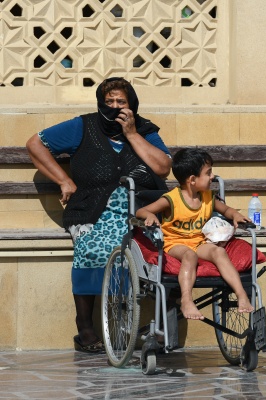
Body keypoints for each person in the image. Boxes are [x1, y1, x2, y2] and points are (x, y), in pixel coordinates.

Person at [26, 77, 172, 353]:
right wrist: (63, 180)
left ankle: (134, 322)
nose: (115, 107)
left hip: (138, 210)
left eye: (121, 102)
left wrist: (131, 134)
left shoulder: (144, 129)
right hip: (92, 209)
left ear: (132, 105)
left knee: (155, 247)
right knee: (95, 248)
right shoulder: (84, 126)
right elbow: (35, 144)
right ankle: (85, 328)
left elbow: (163, 167)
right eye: (109, 102)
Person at [136, 149, 254, 320]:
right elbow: (142, 210)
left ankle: (241, 294)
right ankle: (186, 299)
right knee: (189, 255)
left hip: (199, 243)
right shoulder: (171, 199)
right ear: (192, 180)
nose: (213, 176)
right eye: (208, 173)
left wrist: (235, 214)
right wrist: (150, 215)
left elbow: (226, 209)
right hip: (174, 244)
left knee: (218, 251)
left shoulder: (207, 197)